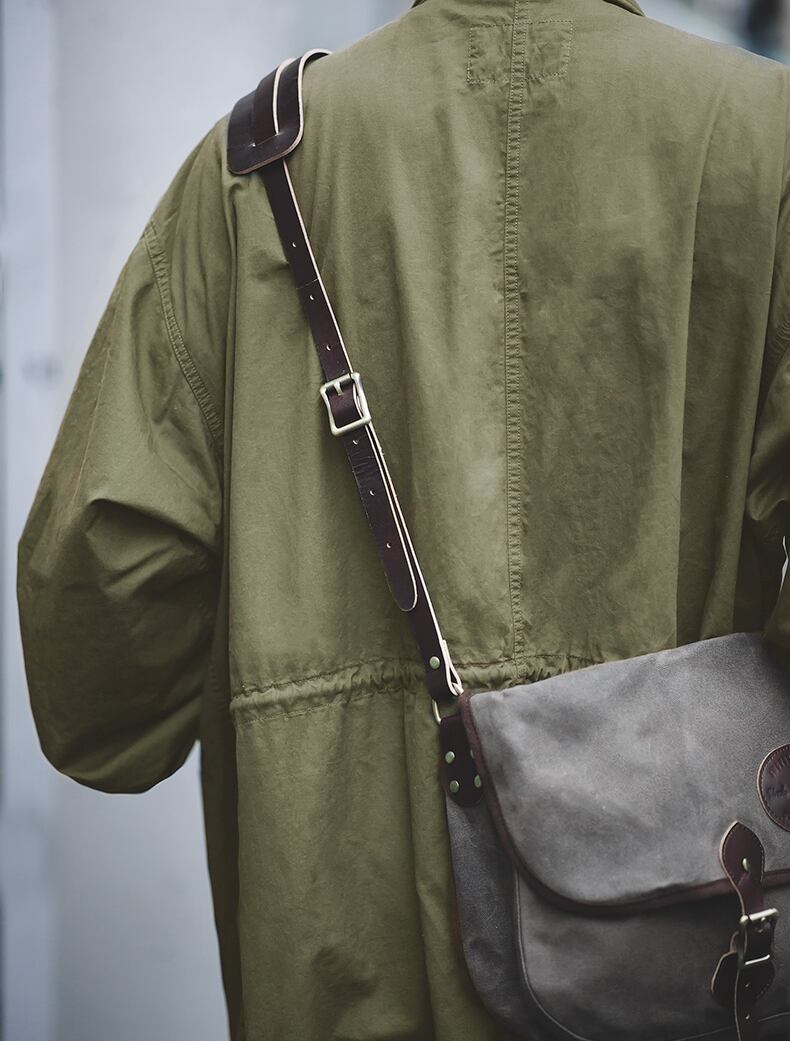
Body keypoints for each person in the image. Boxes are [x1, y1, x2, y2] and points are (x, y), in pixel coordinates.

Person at [16, 0, 790, 1037]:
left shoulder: (254, 169)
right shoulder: (766, 141)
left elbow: (98, 697)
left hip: (340, 964)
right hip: (692, 965)